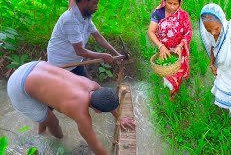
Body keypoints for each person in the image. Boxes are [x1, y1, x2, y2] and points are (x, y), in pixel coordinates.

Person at [6, 61, 135, 155]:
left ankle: (42, 130)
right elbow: (96, 147)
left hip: (31, 67)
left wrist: (119, 118)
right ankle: (58, 141)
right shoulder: (80, 113)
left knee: (46, 114)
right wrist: (65, 142)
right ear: (98, 111)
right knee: (54, 123)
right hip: (18, 88)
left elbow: (107, 98)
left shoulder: (93, 85)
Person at [47, 0, 122, 77]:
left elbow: (98, 37)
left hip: (75, 63)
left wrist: (116, 53)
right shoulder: (70, 19)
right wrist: (103, 55)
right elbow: (80, 51)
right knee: (80, 90)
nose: (97, 8)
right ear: (84, 0)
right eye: (94, 3)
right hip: (61, 66)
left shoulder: (85, 17)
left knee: (88, 87)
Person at [147, 0, 193, 101]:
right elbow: (151, 31)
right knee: (167, 70)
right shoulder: (158, 14)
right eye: (169, 3)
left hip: (179, 49)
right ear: (164, 1)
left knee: (178, 71)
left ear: (179, 3)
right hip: (165, 49)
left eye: (175, 4)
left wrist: (180, 45)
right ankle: (170, 88)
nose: (172, 7)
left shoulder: (183, 15)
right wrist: (161, 46)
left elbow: (188, 32)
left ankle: (174, 91)